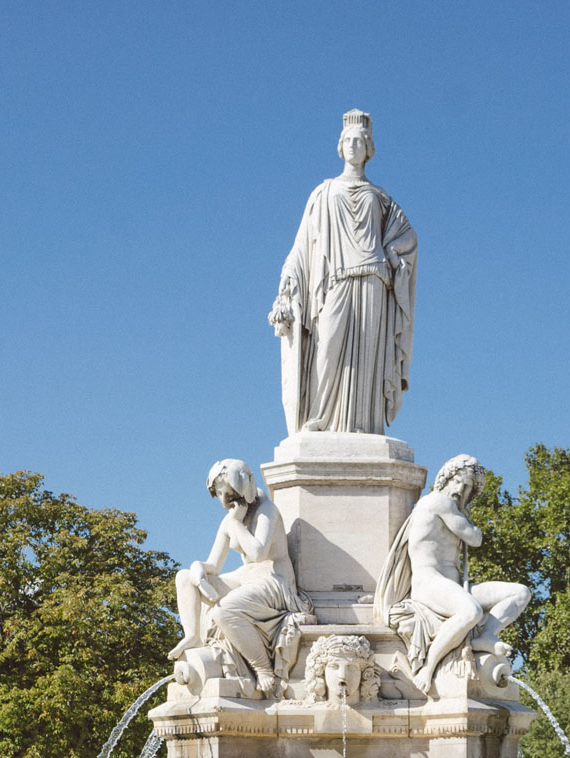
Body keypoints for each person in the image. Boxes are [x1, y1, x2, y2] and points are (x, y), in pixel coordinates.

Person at [268, 109, 417, 436]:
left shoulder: (381, 199)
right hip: (334, 280)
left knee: (367, 356)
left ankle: (365, 422)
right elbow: (302, 246)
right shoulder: (323, 193)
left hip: (373, 280)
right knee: (327, 346)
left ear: (369, 148)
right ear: (340, 146)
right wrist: (286, 287)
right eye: (348, 140)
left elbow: (407, 237)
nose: (353, 146)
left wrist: (391, 252)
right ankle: (321, 415)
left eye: (359, 141)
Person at [373, 455, 531, 694]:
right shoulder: (438, 501)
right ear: (446, 478)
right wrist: (469, 521)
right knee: (471, 611)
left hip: (454, 586)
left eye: (468, 487)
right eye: (458, 481)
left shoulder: (453, 508)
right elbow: (474, 538)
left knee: (520, 593)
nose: (460, 489)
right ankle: (428, 667)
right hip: (429, 584)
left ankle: (485, 637)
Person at [167, 458, 313, 698]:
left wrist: (236, 524)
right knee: (184, 577)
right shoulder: (231, 519)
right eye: (220, 494)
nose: (225, 501)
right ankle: (192, 635)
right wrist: (198, 568)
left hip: (275, 579)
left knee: (223, 611)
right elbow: (213, 564)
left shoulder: (267, 511)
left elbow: (258, 552)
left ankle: (262, 668)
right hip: (247, 578)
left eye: (229, 493)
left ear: (242, 488)